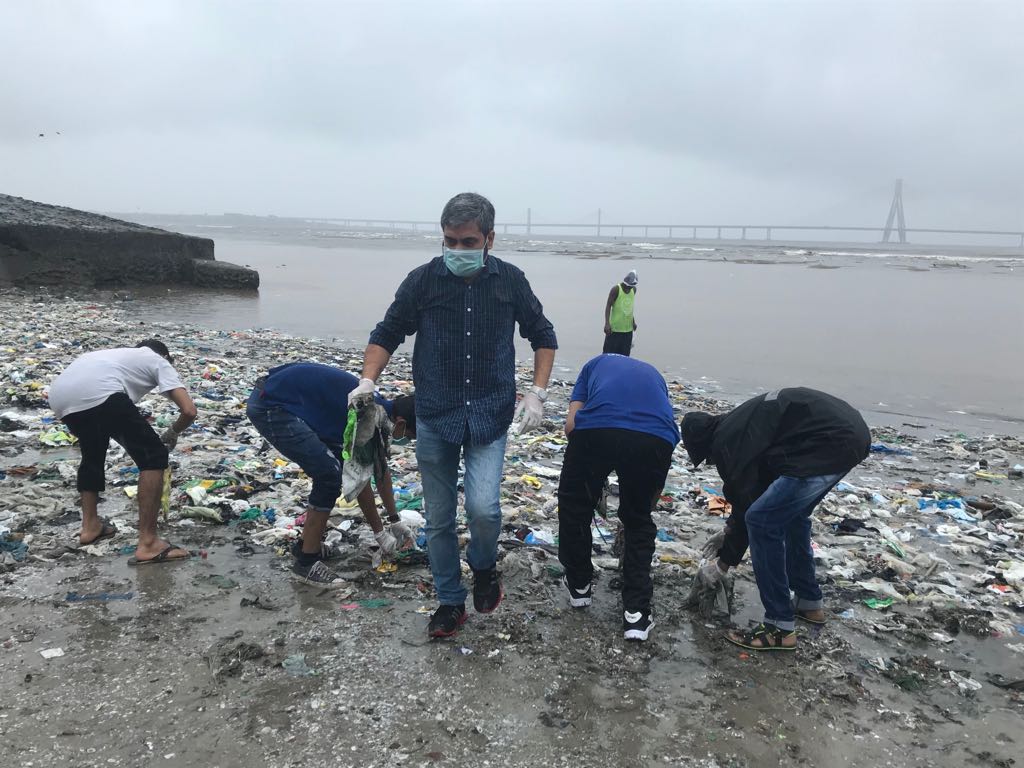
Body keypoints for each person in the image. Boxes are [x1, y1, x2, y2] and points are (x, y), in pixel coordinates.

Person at [351, 192, 557, 638]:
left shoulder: (510, 281)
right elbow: (387, 331)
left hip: (489, 414)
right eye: (450, 241)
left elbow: (542, 333)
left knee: (484, 509)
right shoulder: (423, 281)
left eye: (468, 242)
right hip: (436, 415)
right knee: (439, 518)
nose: (458, 251)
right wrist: (368, 379)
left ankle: (483, 568)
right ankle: (449, 601)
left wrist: (537, 393)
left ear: (489, 240)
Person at [680, 387, 870, 651]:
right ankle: (808, 603)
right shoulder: (738, 424)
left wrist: (722, 565)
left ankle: (779, 628)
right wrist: (732, 528)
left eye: (707, 459)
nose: (711, 462)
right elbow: (756, 491)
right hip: (850, 434)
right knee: (793, 516)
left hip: (828, 443)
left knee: (761, 521)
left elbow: (748, 506)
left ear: (704, 444)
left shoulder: (727, 441)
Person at [245, 362, 416, 587]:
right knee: (328, 476)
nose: (409, 441)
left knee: (333, 469)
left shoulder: (379, 412)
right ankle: (306, 563)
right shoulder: (367, 415)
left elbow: (377, 470)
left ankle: (305, 545)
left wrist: (394, 521)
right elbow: (359, 478)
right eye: (412, 436)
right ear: (401, 424)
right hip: (273, 404)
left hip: (295, 402)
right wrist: (380, 534)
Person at [557, 354, 678, 641]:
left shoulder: (591, 366)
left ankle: (579, 586)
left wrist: (588, 481)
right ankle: (636, 614)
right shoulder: (654, 374)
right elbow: (662, 419)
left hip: (598, 429)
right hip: (656, 438)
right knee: (638, 520)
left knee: (575, 506)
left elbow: (571, 426)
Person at [48, 340, 197, 565]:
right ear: (165, 356)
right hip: (102, 392)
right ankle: (148, 544)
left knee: (93, 454)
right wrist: (173, 431)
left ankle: (90, 527)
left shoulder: (112, 355)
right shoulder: (158, 360)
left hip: (60, 397)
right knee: (154, 456)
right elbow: (189, 410)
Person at [602, 269, 638, 356]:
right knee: (609, 355)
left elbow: (629, 308)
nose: (628, 288)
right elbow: (608, 306)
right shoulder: (616, 289)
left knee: (624, 356)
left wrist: (633, 322)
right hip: (614, 330)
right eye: (627, 286)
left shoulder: (633, 290)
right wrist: (607, 323)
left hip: (628, 331)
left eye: (631, 286)